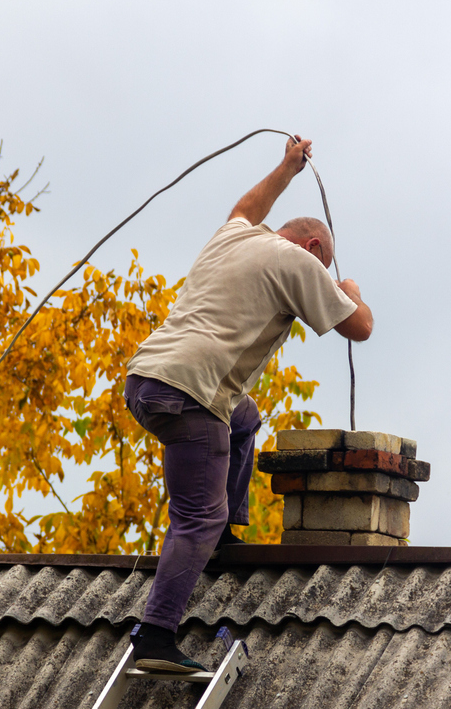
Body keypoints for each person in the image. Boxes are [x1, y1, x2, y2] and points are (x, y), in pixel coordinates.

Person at [123, 135, 373, 672]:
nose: (322, 273)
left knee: (246, 415)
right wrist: (349, 287)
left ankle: (222, 534)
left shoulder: (235, 235)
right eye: (323, 263)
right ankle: (156, 636)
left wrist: (286, 169)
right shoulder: (300, 263)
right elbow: (360, 327)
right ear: (313, 251)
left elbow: (245, 207)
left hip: (147, 379)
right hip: (193, 395)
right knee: (197, 516)